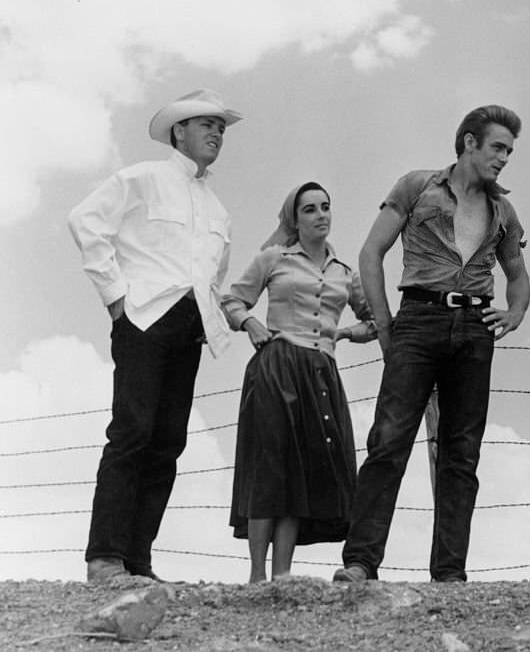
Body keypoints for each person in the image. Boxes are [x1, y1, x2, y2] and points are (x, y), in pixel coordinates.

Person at [333, 105, 530, 584]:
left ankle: (449, 572)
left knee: (462, 453)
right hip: (418, 319)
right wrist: (384, 325)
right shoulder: (417, 186)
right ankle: (361, 563)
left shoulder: (503, 210)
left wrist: (514, 313)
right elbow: (370, 253)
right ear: (468, 143)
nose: (504, 158)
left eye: (509, 150)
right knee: (388, 440)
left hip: (474, 328)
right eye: (497, 147)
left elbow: (518, 277)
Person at [67, 89, 242, 583]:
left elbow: (212, 274)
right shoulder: (143, 178)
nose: (215, 134)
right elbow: (85, 221)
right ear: (178, 131)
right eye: (205, 124)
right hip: (144, 318)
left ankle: (137, 562)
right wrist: (115, 297)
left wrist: (206, 323)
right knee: (131, 433)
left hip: (189, 329)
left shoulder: (218, 210)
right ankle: (105, 558)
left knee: (168, 442)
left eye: (221, 128)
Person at [221, 182, 377, 583]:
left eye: (326, 207)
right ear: (295, 218)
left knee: (300, 471)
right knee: (270, 468)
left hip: (321, 371)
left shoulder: (344, 272)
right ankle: (257, 576)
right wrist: (251, 324)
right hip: (277, 365)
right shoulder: (274, 258)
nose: (320, 215)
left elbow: (376, 321)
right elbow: (232, 301)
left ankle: (283, 576)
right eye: (309, 209)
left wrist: (344, 335)